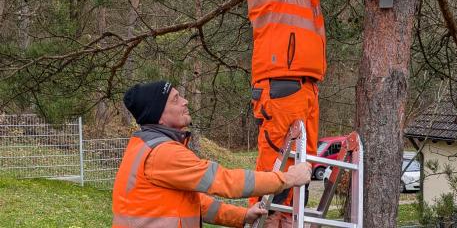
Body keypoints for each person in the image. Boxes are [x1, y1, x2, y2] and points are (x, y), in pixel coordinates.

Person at [244, 0, 375, 222]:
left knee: (300, 175)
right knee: (277, 174)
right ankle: (266, 221)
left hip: (304, 88)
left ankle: (286, 222)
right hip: (282, 85)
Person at [112, 80, 312, 228]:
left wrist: (242, 216)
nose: (185, 101)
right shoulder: (163, 153)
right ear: (160, 117)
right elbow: (224, 180)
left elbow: (195, 202)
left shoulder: (147, 145)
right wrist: (287, 178)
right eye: (175, 99)